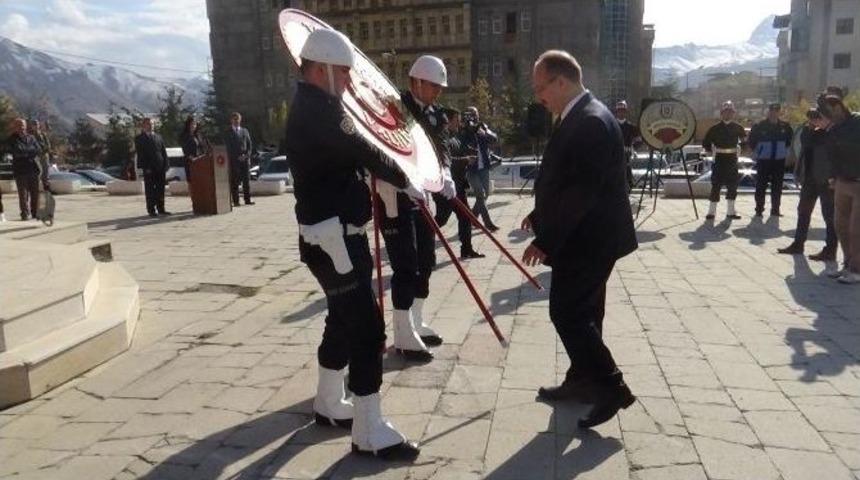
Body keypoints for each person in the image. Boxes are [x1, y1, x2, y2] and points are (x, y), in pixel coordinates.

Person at [285, 28, 420, 460]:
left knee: (342, 320)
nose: (348, 83)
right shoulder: (323, 111)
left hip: (330, 237)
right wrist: (409, 176)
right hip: (336, 240)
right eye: (342, 74)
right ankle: (368, 428)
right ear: (321, 69)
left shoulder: (311, 106)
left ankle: (328, 401)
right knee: (366, 329)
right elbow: (368, 150)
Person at [522, 50, 637, 428]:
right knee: (586, 313)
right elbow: (566, 179)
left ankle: (611, 387)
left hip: (589, 238)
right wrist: (538, 215)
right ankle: (580, 381)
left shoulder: (589, 121)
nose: (539, 96)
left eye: (542, 88)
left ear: (561, 82)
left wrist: (546, 240)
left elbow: (581, 194)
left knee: (568, 313)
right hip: (591, 235)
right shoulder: (582, 114)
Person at [375, 55, 454, 361]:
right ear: (414, 82)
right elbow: (381, 151)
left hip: (422, 198)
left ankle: (417, 320)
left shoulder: (435, 115)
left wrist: (444, 172)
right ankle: (402, 331)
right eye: (432, 86)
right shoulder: (393, 109)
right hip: (394, 196)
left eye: (439, 88)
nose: (437, 92)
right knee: (405, 264)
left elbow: (442, 146)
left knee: (426, 260)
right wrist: (403, 179)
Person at [778, 108, 837, 260]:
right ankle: (798, 244)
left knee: (829, 215)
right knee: (803, 212)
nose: (814, 121)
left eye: (817, 118)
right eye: (812, 118)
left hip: (826, 180)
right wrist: (811, 127)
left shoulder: (832, 132)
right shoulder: (809, 131)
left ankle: (830, 249)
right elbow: (805, 142)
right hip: (810, 178)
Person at [818, 92, 860, 284]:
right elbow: (831, 156)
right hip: (842, 181)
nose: (826, 118)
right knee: (840, 225)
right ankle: (847, 264)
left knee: (856, 228)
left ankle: (857, 270)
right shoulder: (833, 130)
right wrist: (833, 177)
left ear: (838, 107)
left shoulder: (857, 123)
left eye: (827, 113)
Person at [436, 108, 484, 259]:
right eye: (456, 120)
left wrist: (470, 149)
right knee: (441, 219)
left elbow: (460, 150)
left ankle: (467, 249)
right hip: (446, 188)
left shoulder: (455, 137)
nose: (459, 122)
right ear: (448, 121)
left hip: (459, 186)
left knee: (465, 218)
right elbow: (445, 162)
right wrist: (465, 160)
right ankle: (422, 239)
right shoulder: (442, 139)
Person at [702, 101, 747, 220]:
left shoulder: (738, 128)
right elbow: (706, 142)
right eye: (726, 112)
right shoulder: (714, 128)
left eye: (730, 112)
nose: (728, 114)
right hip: (719, 159)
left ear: (734, 113)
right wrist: (709, 151)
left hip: (732, 159)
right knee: (716, 185)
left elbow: (745, 141)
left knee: (732, 186)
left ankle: (731, 212)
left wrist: (744, 148)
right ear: (721, 114)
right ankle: (711, 212)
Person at [748, 103, 793, 217]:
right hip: (764, 160)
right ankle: (759, 209)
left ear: (779, 112)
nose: (774, 113)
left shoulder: (785, 126)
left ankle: (775, 209)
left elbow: (789, 142)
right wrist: (760, 151)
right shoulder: (760, 125)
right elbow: (752, 141)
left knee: (777, 186)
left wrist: (783, 152)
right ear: (768, 112)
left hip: (779, 161)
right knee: (761, 185)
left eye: (777, 110)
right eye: (772, 111)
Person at [461, 106, 500, 232]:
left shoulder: (483, 126)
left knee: (485, 194)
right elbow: (462, 145)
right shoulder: (463, 129)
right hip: (471, 169)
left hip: (484, 168)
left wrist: (485, 132)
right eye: (471, 114)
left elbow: (494, 139)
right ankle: (487, 223)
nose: (473, 116)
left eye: (475, 114)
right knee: (481, 194)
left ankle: (472, 218)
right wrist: (468, 129)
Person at [134, 117, 171, 217]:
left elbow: (163, 152)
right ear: (144, 126)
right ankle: (151, 210)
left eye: (152, 124)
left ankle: (161, 208)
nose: (151, 126)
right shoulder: (139, 139)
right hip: (149, 168)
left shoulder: (159, 137)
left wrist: (166, 164)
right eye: (148, 124)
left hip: (160, 167)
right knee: (150, 190)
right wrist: (146, 167)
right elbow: (141, 154)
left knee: (160, 189)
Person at [6, 118, 41, 221]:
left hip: (33, 169)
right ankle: (24, 214)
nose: (22, 127)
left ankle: (35, 213)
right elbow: (17, 151)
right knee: (23, 195)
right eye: (19, 125)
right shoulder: (12, 139)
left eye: (23, 125)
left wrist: (26, 151)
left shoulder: (31, 138)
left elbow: (38, 149)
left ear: (26, 126)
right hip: (20, 170)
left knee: (35, 193)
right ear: (15, 127)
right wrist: (30, 151)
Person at [226, 112, 254, 207]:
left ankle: (247, 199)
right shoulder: (228, 132)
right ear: (231, 120)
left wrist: (246, 155)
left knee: (246, 181)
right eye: (234, 119)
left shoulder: (245, 131)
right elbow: (228, 148)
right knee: (235, 181)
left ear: (240, 120)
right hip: (235, 161)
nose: (236, 121)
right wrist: (236, 157)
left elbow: (249, 145)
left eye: (237, 119)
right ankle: (236, 201)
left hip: (245, 160)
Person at [614, 100, 641, 190]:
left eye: (623, 111)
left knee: (627, 173)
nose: (621, 113)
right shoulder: (612, 125)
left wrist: (634, 148)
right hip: (614, 156)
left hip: (626, 155)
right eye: (619, 111)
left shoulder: (630, 127)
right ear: (616, 112)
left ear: (626, 112)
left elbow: (639, 139)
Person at [180, 115, 202, 188]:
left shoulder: (197, 135)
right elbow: (185, 149)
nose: (194, 126)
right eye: (192, 124)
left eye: (195, 124)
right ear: (188, 125)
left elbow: (201, 147)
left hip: (199, 161)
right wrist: (192, 158)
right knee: (191, 182)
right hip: (190, 162)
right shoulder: (184, 136)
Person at [30, 120, 52, 188]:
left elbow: (48, 144)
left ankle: (46, 185)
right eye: (34, 125)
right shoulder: (30, 135)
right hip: (36, 155)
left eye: (37, 124)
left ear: (39, 125)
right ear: (32, 126)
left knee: (46, 170)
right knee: (38, 171)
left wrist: (46, 149)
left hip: (44, 155)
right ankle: (35, 186)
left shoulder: (43, 134)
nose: (36, 126)